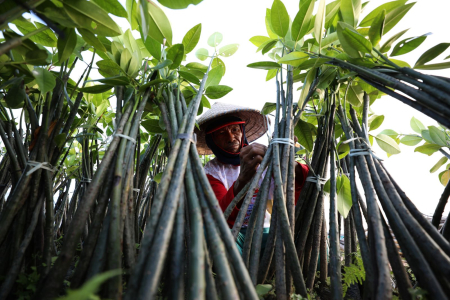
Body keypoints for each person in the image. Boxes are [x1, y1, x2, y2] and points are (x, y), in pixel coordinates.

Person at [195, 102, 309, 254]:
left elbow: (303, 185)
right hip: (236, 236)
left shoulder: (263, 156)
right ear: (212, 141)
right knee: (215, 239)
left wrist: (286, 161)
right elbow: (220, 216)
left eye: (235, 129)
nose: (231, 138)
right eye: (221, 133)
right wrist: (243, 179)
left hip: (272, 231)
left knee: (310, 244)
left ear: (242, 131)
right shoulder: (211, 172)